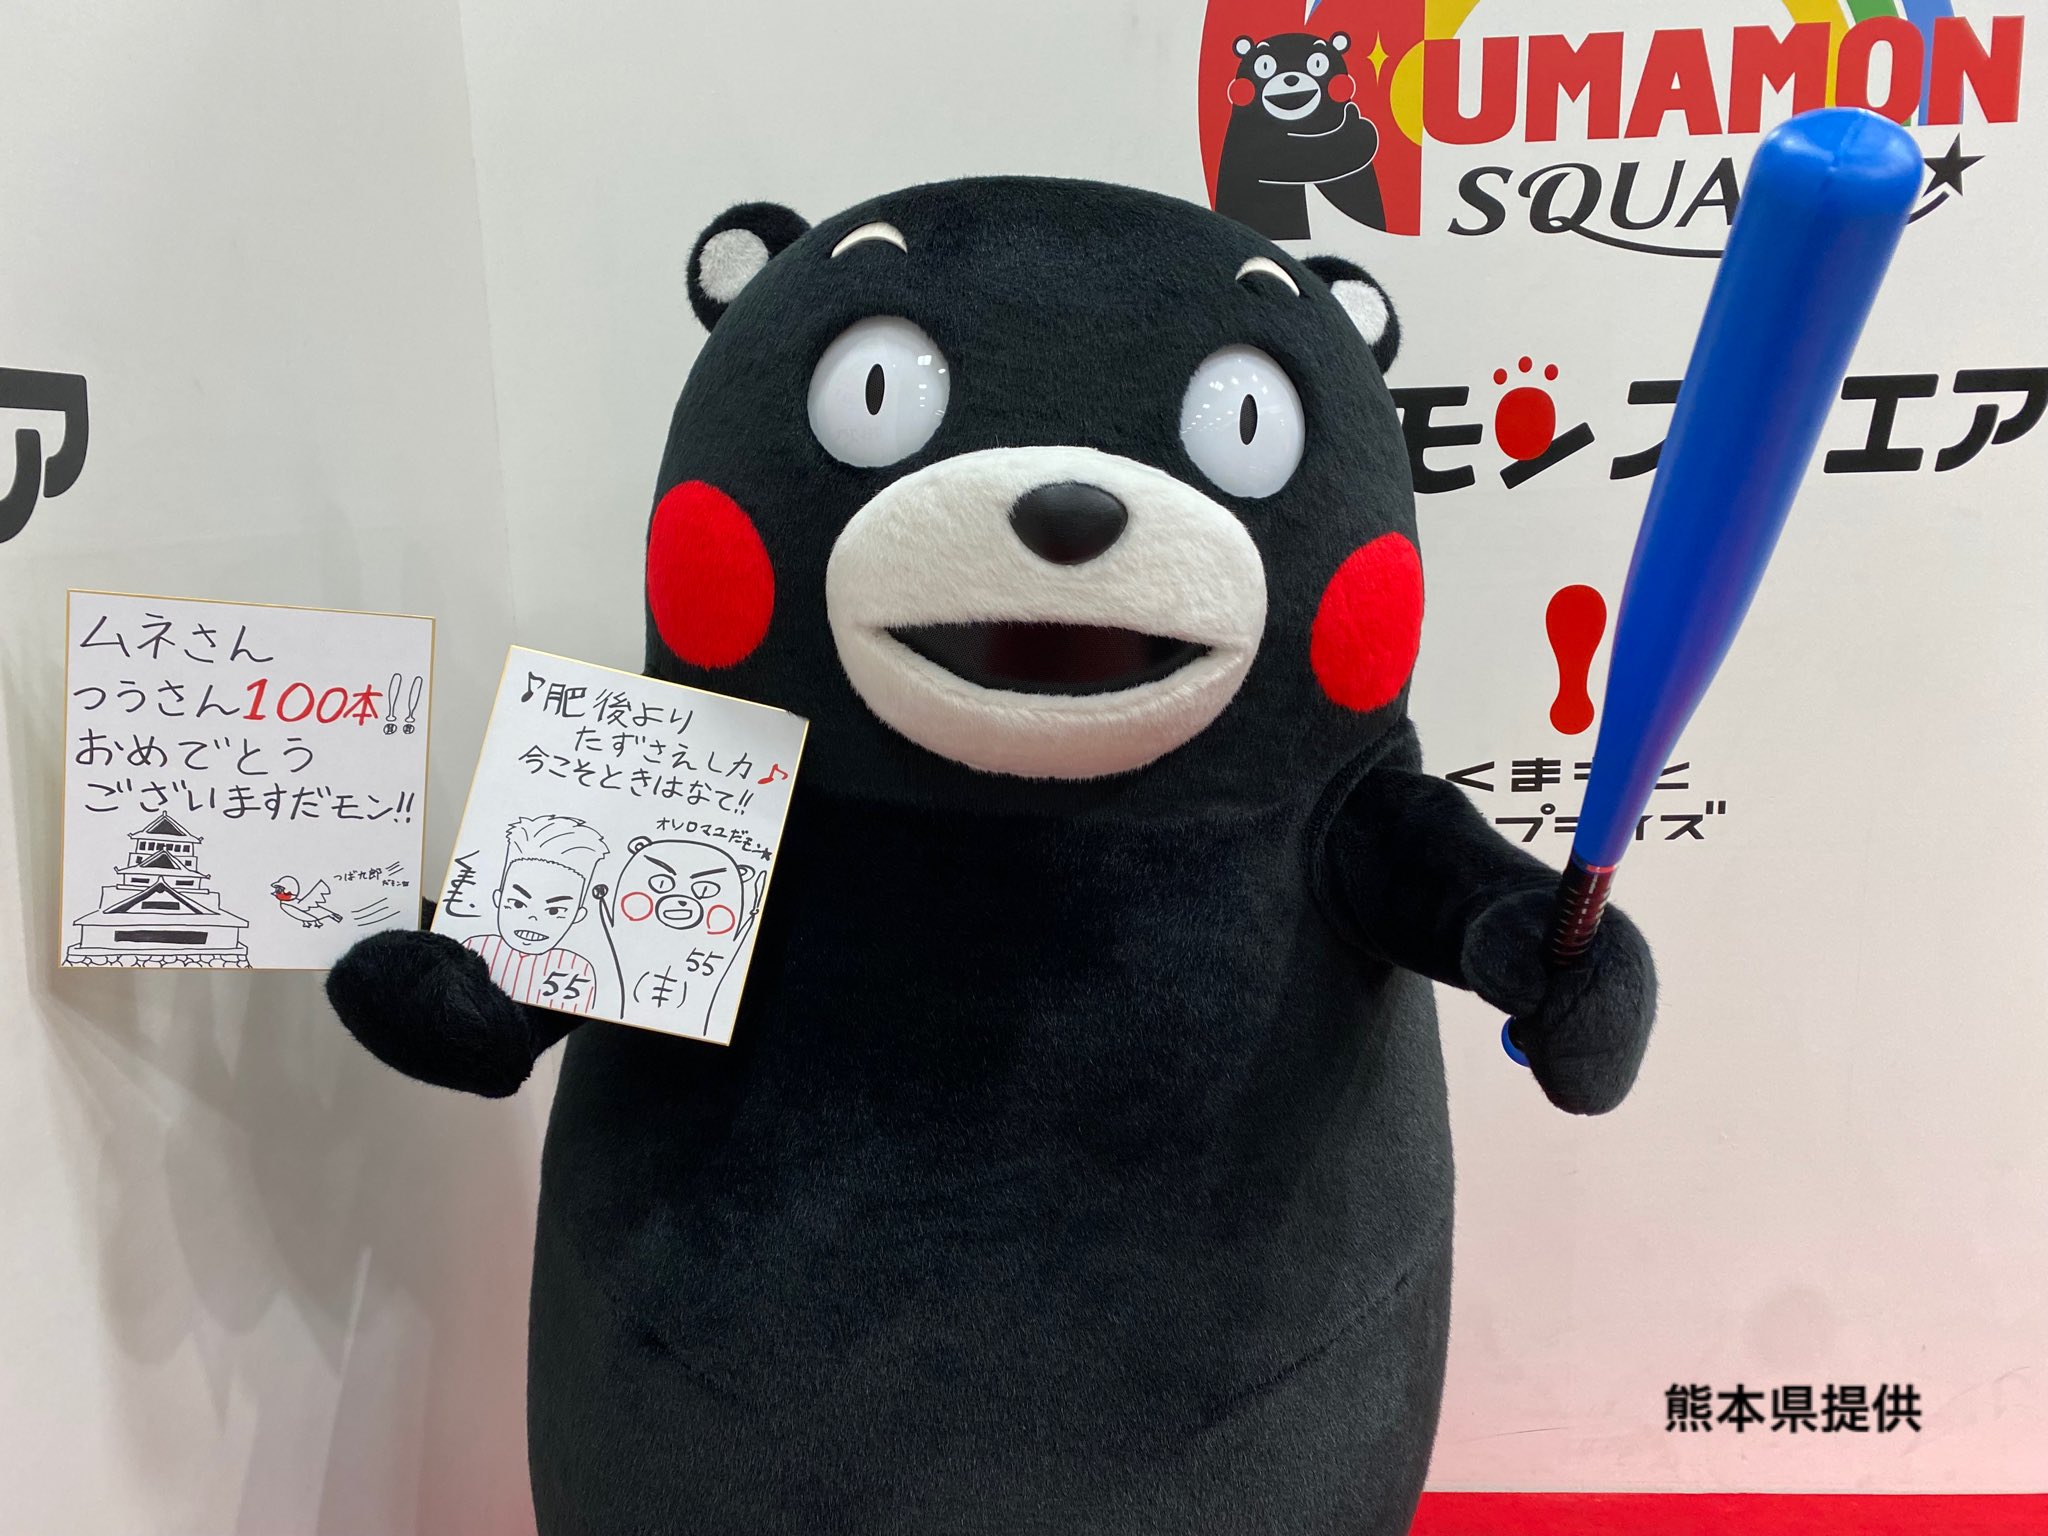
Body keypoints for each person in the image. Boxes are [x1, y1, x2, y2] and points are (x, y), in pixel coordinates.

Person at [462, 815, 607, 1014]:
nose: (533, 918)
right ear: (498, 898)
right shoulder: (472, 947)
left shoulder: (578, 969)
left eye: (555, 910)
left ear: (578, 915)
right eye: (518, 903)